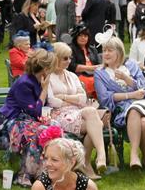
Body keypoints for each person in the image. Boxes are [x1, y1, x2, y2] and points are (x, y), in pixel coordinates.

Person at [0, 49, 58, 187]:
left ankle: (41, 172)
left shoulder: (38, 80)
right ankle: (24, 175)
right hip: (10, 122)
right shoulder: (24, 83)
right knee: (33, 133)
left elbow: (39, 111)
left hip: (25, 120)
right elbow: (35, 111)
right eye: (52, 68)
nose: (53, 71)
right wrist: (44, 90)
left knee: (49, 129)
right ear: (45, 68)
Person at [94, 33, 145, 171]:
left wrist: (126, 78)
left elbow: (143, 89)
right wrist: (131, 95)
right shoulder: (100, 73)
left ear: (119, 52)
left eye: (110, 50)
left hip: (143, 104)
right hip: (121, 110)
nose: (106, 53)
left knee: (137, 111)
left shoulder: (131, 66)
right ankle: (143, 157)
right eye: (104, 50)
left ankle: (137, 155)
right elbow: (105, 98)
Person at [46, 42, 109, 178]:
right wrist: (71, 99)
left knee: (93, 119)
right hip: (58, 115)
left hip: (77, 112)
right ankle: (98, 157)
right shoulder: (48, 77)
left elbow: (83, 98)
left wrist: (63, 96)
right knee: (95, 121)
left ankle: (87, 162)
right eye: (65, 58)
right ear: (55, 58)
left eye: (70, 58)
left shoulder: (72, 76)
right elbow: (52, 101)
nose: (69, 61)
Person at [69, 26, 100, 98]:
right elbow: (72, 67)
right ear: (75, 37)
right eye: (80, 35)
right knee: (88, 81)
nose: (83, 38)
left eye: (85, 36)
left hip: (94, 74)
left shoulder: (92, 49)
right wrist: (92, 68)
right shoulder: (71, 49)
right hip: (79, 75)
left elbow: (99, 64)